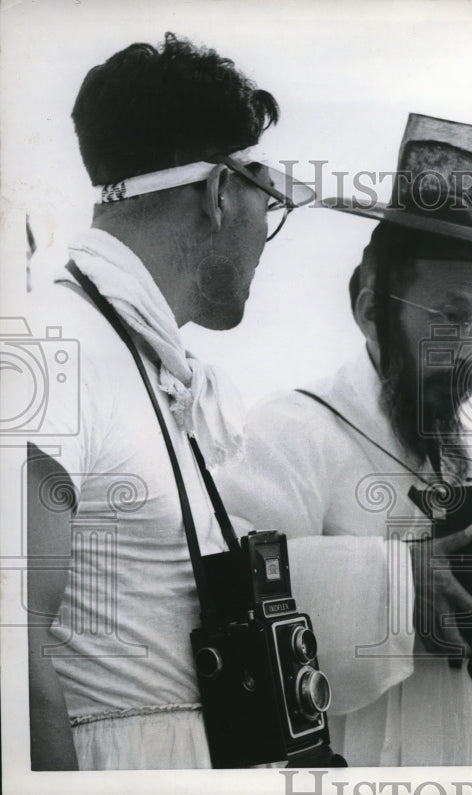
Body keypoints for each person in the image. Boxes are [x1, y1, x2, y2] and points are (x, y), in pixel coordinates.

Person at [215, 114, 472, 766]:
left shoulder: (465, 460)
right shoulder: (291, 429)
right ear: (371, 308)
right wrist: (398, 585)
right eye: (451, 316)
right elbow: (235, 602)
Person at [25, 33, 312, 770]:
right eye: (267, 199)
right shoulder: (58, 349)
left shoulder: (141, 359)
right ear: (220, 193)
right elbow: (10, 651)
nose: (265, 234)